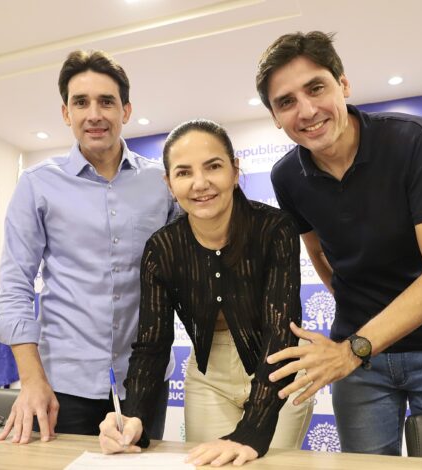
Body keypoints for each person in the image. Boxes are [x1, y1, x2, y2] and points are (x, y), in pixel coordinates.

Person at [255, 31, 422, 455]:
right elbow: (317, 251)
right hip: (359, 360)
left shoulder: (410, 139)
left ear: (343, 85)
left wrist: (355, 348)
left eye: (316, 88)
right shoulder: (286, 175)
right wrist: (358, 331)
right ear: (275, 117)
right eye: (286, 102)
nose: (306, 111)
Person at [98, 119, 313, 466]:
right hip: (208, 376)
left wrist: (253, 429)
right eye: (183, 173)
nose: (200, 183)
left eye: (213, 166)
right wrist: (134, 415)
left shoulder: (275, 228)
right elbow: (152, 343)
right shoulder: (162, 248)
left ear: (234, 171)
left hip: (278, 367)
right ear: (169, 184)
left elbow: (280, 331)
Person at [0, 50, 175, 444]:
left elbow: (187, 271)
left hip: (145, 378)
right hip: (62, 384)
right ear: (65, 113)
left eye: (106, 101)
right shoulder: (37, 184)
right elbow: (15, 284)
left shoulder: (162, 183)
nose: (94, 114)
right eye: (81, 102)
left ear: (125, 110)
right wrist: (31, 380)